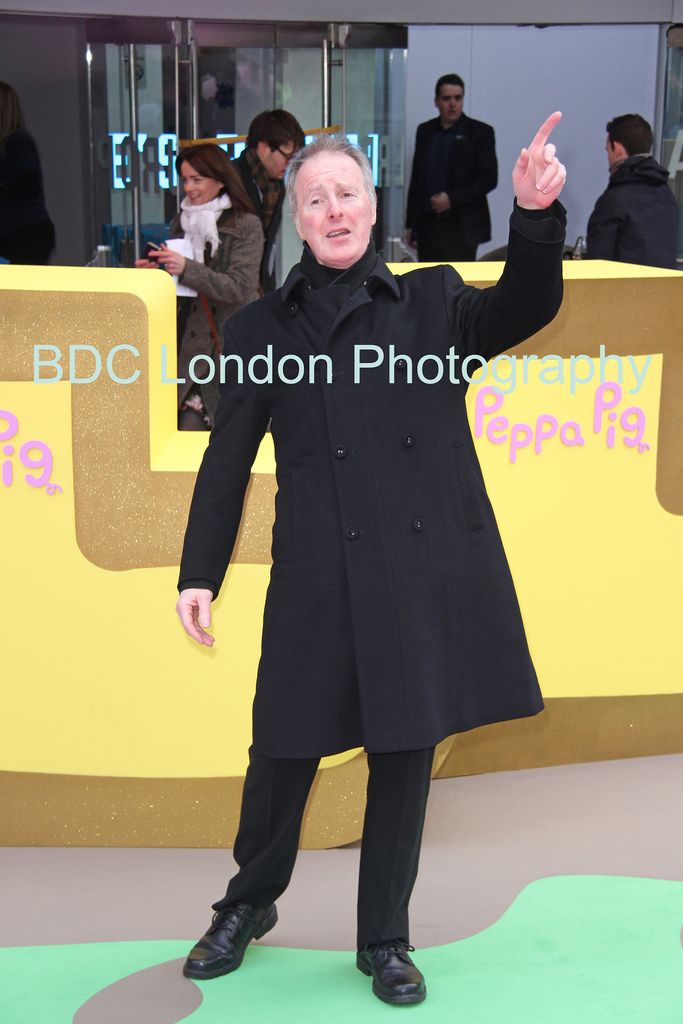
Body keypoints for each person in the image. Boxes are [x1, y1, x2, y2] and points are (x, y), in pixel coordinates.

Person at [175, 113, 567, 1005]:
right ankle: (246, 902)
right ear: (297, 218)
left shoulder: (432, 301)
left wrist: (533, 215)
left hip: (409, 575)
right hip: (313, 576)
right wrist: (199, 573)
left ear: (371, 205)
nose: (334, 211)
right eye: (315, 199)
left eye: (346, 194)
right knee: (281, 750)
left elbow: (525, 305)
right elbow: (225, 462)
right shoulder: (260, 330)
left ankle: (384, 937)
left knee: (402, 753)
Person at [136, 144, 263, 429]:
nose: (188, 188)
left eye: (197, 179)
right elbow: (177, 292)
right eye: (184, 180)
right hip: (186, 351)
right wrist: (157, 274)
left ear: (220, 180)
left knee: (222, 435)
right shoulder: (181, 224)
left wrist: (186, 268)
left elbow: (241, 288)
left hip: (229, 351)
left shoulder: (247, 225)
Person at [405, 74, 498, 262]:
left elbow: (488, 178)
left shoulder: (480, 132)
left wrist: (451, 199)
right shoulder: (425, 131)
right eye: (446, 98)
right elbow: (417, 180)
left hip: (463, 224)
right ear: (436, 101)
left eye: (458, 98)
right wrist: (410, 224)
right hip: (428, 223)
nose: (452, 104)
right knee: (427, 276)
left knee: (459, 278)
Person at [586, 114, 678, 269]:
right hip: (664, 285)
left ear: (617, 149)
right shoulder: (667, 195)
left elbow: (596, 266)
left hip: (625, 285)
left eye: (608, 150)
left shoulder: (613, 201)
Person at [233, 109, 305, 292]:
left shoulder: (276, 186)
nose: (290, 164)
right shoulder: (231, 178)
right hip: (234, 287)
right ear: (264, 148)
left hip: (261, 287)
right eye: (287, 156)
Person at [0, 81, 55, 265]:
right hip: (22, 232)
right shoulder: (13, 142)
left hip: (25, 234)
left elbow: (29, 183)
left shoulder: (15, 142)